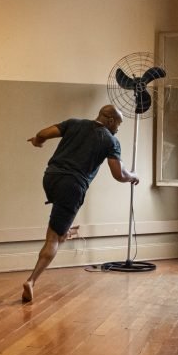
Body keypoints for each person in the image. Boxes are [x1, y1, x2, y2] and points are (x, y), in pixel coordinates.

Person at [22, 105, 140, 303]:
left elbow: (43, 133)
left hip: (50, 177)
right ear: (110, 120)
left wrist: (37, 141)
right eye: (118, 124)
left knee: (60, 228)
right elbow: (119, 175)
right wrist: (134, 176)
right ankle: (31, 281)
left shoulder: (74, 123)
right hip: (73, 185)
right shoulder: (110, 140)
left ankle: (65, 231)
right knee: (53, 239)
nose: (119, 128)